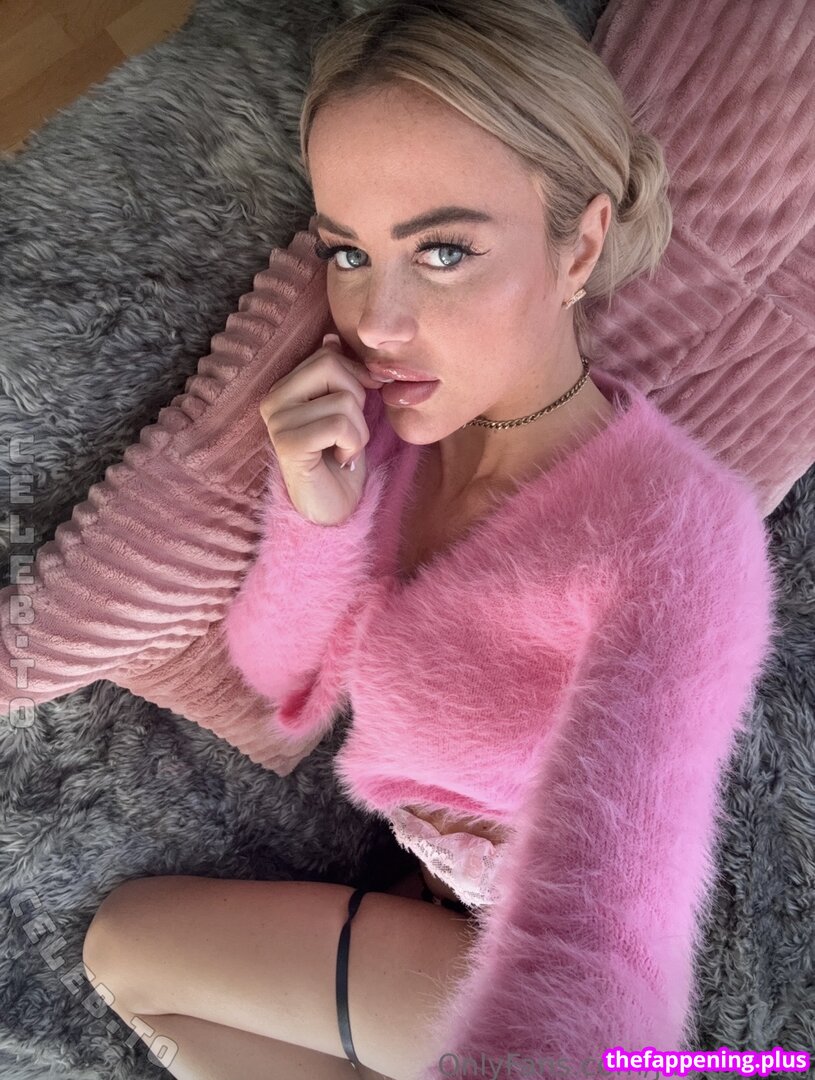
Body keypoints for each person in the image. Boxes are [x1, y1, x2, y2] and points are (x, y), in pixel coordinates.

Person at [82, 3, 773, 1080]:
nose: (375, 321)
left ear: (580, 244)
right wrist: (319, 516)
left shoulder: (679, 535)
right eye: (349, 252)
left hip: (566, 1009)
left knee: (128, 947)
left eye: (443, 251)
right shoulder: (383, 436)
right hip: (426, 919)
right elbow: (275, 676)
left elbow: (606, 927)